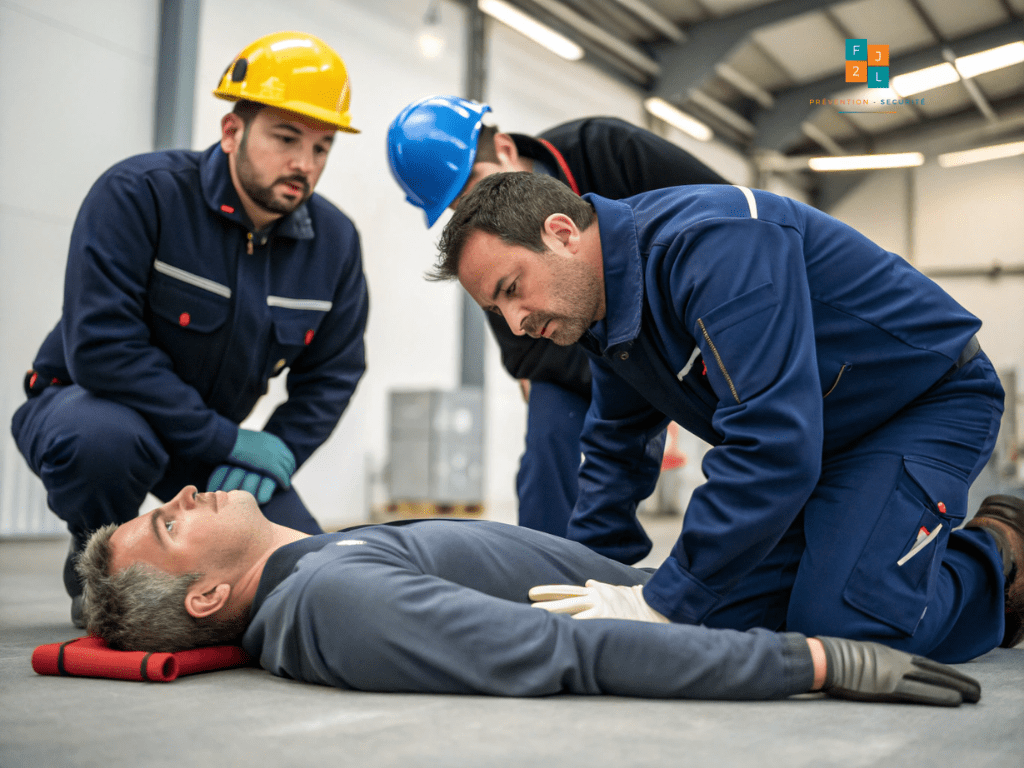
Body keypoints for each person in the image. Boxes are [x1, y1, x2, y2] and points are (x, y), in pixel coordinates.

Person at [431, 171, 1024, 662]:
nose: (514, 325)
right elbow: (616, 450)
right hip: (824, 440)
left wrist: (663, 602)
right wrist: (589, 577)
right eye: (496, 309)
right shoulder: (604, 314)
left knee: (848, 630)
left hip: (923, 402)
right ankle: (877, 553)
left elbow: (774, 443)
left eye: (512, 289)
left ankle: (998, 556)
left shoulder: (713, 244)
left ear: (560, 233)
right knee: (718, 625)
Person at [11, 32, 369, 627]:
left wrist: (275, 453)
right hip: (89, 404)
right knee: (107, 442)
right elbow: (101, 346)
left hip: (207, 440)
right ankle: (97, 572)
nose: (304, 165)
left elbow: (334, 371)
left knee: (302, 573)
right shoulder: (140, 194)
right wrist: (225, 441)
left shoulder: (334, 243)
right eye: (286, 139)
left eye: (322, 147)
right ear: (232, 132)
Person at [76, 485, 983, 706]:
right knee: (924, 602)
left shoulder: (314, 559)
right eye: (166, 527)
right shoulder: (328, 602)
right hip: (754, 620)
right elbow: (564, 654)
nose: (183, 496)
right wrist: (816, 662)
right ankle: (1001, 562)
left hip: (696, 588)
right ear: (206, 600)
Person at [386, 95, 729, 536]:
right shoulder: (487, 252)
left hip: (688, 324)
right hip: (591, 359)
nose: (475, 209)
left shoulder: (610, 151)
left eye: (473, 183)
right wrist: (622, 371)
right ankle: (548, 568)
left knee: (739, 417)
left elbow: (727, 215)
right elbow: (528, 358)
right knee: (548, 436)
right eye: (457, 206)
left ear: (506, 149)